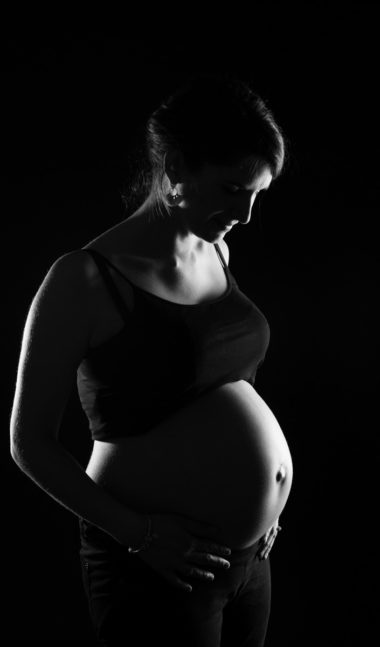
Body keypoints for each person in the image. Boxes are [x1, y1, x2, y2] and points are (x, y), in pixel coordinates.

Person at [10, 73, 293, 646]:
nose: (245, 213)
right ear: (178, 167)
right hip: (155, 564)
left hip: (246, 563)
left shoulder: (217, 249)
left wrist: (262, 507)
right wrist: (138, 535)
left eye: (258, 193)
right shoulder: (84, 279)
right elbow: (29, 442)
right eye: (233, 189)